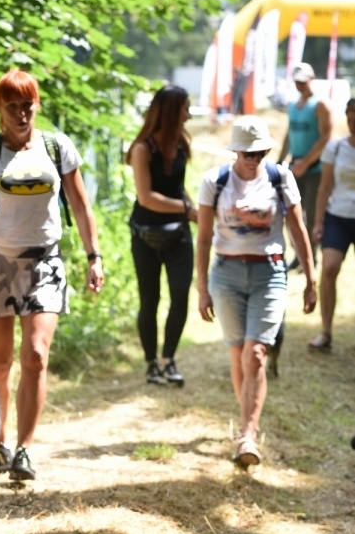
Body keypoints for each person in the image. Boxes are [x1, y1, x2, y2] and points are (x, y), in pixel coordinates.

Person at [0, 69, 103, 483]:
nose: (21, 112)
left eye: (27, 103)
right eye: (11, 105)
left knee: (35, 355)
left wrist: (93, 256)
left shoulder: (56, 146)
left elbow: (81, 206)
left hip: (44, 263)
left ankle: (25, 450)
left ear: (38, 104)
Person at [196, 115, 316, 467]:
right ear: (235, 151)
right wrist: (201, 289)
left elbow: (297, 230)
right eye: (247, 152)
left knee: (257, 354)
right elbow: (203, 238)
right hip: (227, 274)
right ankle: (245, 426)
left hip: (270, 271)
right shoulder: (215, 181)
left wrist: (310, 279)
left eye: (260, 151)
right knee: (239, 356)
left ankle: (248, 432)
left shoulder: (281, 178)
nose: (253, 158)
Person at [126, 85, 198, 387]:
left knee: (180, 295)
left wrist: (193, 206)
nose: (189, 113)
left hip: (178, 233)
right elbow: (147, 197)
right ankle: (151, 363)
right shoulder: (143, 149)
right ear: (171, 111)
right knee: (150, 299)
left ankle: (169, 359)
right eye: (185, 107)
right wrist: (188, 210)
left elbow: (174, 186)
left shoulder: (180, 143)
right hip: (146, 234)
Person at [308, 97, 355, 352]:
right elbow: (325, 186)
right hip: (337, 216)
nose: (352, 122)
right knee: (329, 269)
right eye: (349, 117)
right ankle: (326, 331)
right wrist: (318, 222)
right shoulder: (335, 148)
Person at [279, 62, 332, 266]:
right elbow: (289, 134)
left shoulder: (320, 105)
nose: (300, 85)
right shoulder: (293, 105)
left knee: (311, 212)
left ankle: (311, 255)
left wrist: (307, 161)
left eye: (303, 81)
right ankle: (299, 254)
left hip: (315, 168)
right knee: (291, 212)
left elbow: (325, 136)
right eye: (297, 81)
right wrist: (282, 158)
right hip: (295, 168)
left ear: (312, 79)